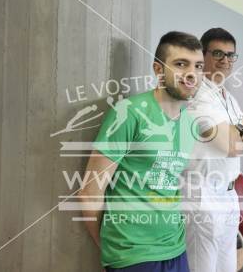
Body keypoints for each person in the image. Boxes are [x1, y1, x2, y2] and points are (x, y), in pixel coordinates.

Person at [78, 31, 204, 272]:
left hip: (176, 247)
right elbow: (90, 192)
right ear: (158, 70)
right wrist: (112, 247)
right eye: (181, 64)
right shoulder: (130, 113)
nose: (192, 74)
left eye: (198, 66)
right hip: (133, 254)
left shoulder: (191, 124)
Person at [181, 28, 243, 272]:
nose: (225, 60)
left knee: (227, 267)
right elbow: (232, 146)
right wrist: (242, 132)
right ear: (202, 56)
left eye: (230, 55)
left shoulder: (228, 98)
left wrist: (239, 132)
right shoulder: (197, 95)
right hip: (202, 194)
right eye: (217, 53)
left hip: (227, 194)